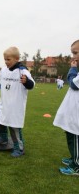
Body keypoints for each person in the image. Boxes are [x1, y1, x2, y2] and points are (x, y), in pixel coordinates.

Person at [0, 47, 35, 157]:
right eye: (5, 59)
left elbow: (32, 85)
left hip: (15, 106)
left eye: (8, 59)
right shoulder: (3, 70)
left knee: (14, 127)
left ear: (17, 58)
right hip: (4, 103)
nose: (6, 62)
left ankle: (19, 148)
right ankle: (3, 137)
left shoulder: (23, 71)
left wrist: (26, 82)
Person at [53, 40, 79, 176]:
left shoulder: (75, 70)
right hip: (73, 110)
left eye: (75, 53)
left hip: (77, 113)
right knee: (70, 133)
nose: (73, 56)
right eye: (72, 53)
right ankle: (73, 158)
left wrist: (73, 69)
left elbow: (74, 84)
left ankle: (77, 166)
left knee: (75, 136)